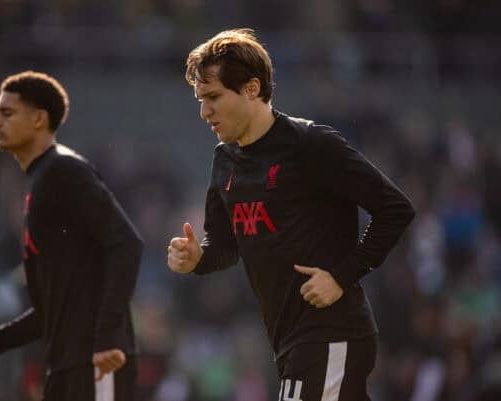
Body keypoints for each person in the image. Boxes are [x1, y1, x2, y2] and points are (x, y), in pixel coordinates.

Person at [167, 29, 415, 401]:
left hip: (332, 333)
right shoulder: (224, 160)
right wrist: (197, 259)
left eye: (214, 97)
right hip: (287, 341)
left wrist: (342, 276)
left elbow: (395, 208)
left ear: (251, 89)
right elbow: (225, 245)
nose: (205, 111)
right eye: (200, 100)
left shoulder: (312, 144)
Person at [0, 71, 143, 401]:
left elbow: (127, 242)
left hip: (97, 364)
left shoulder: (65, 171)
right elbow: (49, 308)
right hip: (67, 366)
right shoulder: (39, 182)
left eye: (6, 113)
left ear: (39, 119)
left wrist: (106, 338)